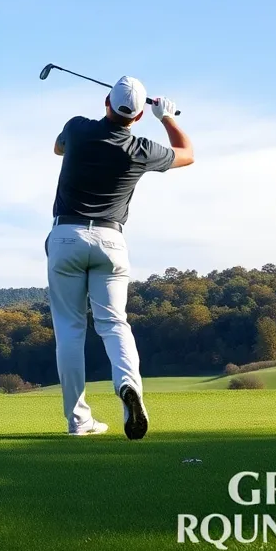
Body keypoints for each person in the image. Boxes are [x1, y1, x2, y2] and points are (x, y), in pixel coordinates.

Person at [47, 76, 194, 438]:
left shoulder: (78, 128)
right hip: (111, 241)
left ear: (106, 102)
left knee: (70, 331)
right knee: (114, 325)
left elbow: (58, 148)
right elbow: (188, 154)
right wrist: (168, 117)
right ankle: (129, 387)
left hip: (67, 235)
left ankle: (79, 422)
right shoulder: (142, 149)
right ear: (139, 115)